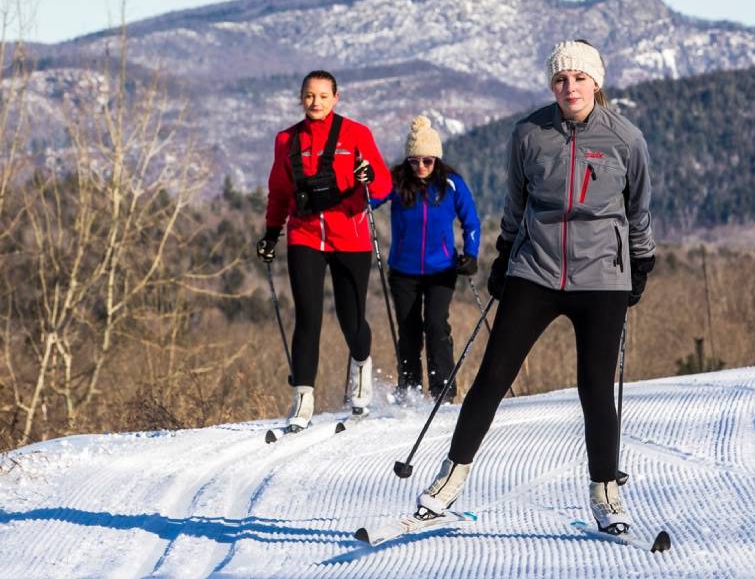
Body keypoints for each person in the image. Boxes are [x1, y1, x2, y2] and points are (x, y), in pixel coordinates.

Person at [414, 40, 656, 536]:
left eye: (579, 78)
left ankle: (606, 492)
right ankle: (448, 481)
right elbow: (515, 203)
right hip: (536, 268)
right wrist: (503, 255)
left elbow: (638, 210)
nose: (570, 87)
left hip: (602, 277)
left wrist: (642, 261)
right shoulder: (529, 133)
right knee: (493, 376)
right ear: (552, 85)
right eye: (561, 79)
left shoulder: (625, 140)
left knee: (595, 387)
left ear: (596, 83)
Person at [255, 70, 393, 432]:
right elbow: (280, 192)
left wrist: (368, 180)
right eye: (308, 96)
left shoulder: (356, 134)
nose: (315, 102)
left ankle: (361, 365)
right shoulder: (286, 140)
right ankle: (303, 399)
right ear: (301, 98)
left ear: (335, 97)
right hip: (304, 235)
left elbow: (383, 182)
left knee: (351, 317)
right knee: (308, 317)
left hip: (350, 235)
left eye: (322, 95)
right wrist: (272, 233)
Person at [371, 115, 480, 403]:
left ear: (437, 159)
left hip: (441, 270)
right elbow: (368, 202)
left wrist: (471, 255)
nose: (420, 167)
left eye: (427, 161)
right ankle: (409, 390)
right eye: (414, 161)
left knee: (436, 326)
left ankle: (442, 390)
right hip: (403, 271)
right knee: (408, 331)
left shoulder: (452, 184)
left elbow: (471, 222)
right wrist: (364, 181)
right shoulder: (396, 182)